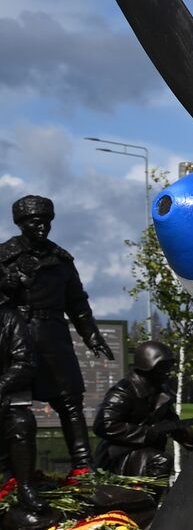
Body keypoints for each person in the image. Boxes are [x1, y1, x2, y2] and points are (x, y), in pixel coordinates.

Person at [0, 195, 114, 482]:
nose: (41, 227)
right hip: (18, 336)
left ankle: (82, 466)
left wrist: (92, 335)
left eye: (46, 221)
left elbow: (77, 302)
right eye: (34, 221)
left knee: (70, 400)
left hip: (54, 336)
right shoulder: (4, 257)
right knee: (15, 405)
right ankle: (13, 473)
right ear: (21, 224)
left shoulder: (61, 260)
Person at [93, 341, 193, 477]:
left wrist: (191, 440)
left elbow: (171, 423)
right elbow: (104, 425)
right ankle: (146, 498)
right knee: (161, 461)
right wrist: (146, 433)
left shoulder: (160, 393)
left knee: (160, 460)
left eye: (168, 367)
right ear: (148, 367)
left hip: (144, 454)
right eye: (162, 367)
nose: (167, 373)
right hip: (118, 457)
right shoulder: (123, 392)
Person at [0, 303, 51, 514]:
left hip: (4, 398)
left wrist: (1, 386)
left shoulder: (9, 318)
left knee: (21, 422)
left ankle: (25, 488)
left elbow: (25, 361)